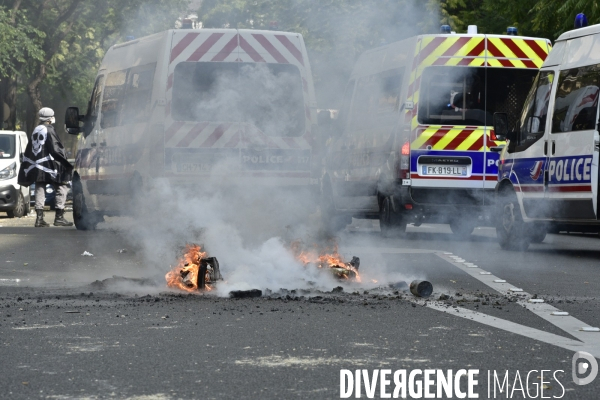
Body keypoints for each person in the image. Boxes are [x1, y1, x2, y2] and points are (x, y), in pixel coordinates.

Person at [18, 107, 74, 227]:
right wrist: (66, 163)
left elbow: (30, 150)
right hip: (52, 166)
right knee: (62, 187)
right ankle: (59, 217)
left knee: (40, 187)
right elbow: (56, 149)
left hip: (37, 166)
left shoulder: (36, 130)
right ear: (50, 118)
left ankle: (39, 219)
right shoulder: (49, 129)